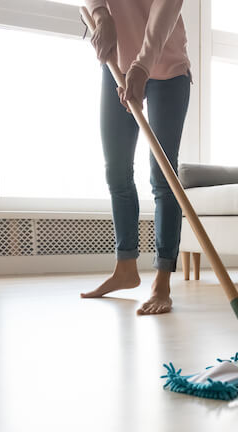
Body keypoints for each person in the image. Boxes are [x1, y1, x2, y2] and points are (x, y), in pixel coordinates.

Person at [80, 0, 191, 315]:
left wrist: (142, 65)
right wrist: (101, 16)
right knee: (116, 171)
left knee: (163, 175)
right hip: (118, 64)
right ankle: (125, 268)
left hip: (168, 69)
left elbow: (166, 9)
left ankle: (162, 281)